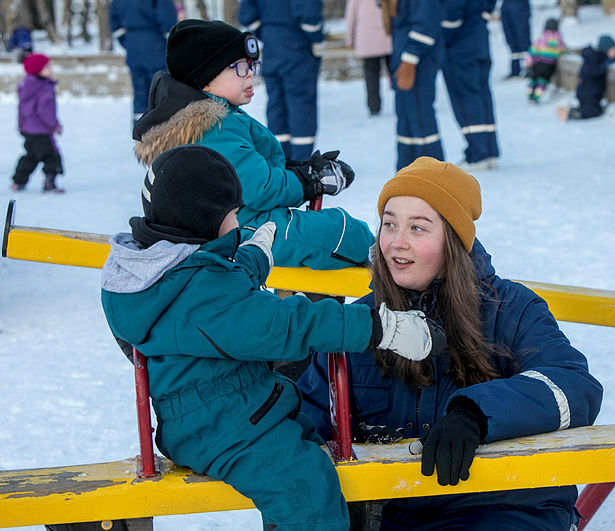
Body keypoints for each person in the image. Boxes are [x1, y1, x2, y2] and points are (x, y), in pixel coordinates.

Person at [100, 145, 444, 531]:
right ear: (204, 221)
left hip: (223, 409)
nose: (238, 222)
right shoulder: (205, 299)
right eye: (234, 215)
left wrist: (254, 256)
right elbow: (289, 324)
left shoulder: (158, 273)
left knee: (311, 440)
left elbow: (211, 286)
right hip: (223, 428)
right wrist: (382, 328)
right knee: (306, 489)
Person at [298, 156, 604, 530]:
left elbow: (573, 387)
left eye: (418, 228)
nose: (397, 243)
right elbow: (306, 415)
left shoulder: (510, 309)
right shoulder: (359, 325)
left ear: (453, 238)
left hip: (503, 509)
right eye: (389, 224)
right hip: (391, 516)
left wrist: (476, 415)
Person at [132, 19, 374, 271]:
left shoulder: (215, 116)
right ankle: (390, 287)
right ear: (205, 77)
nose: (249, 74)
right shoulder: (212, 126)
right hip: (233, 232)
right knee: (342, 233)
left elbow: (248, 169)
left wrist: (298, 171)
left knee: (331, 231)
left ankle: (321, 297)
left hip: (232, 223)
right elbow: (259, 189)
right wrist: (308, 181)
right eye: (238, 68)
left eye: (251, 66)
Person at [238, 0, 323, 161]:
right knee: (301, 106)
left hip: (271, 50)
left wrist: (267, 34)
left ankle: (279, 160)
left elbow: (246, 15)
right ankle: (301, 163)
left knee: (276, 104)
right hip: (299, 48)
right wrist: (317, 39)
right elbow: (308, 14)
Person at [383, 0, 446, 171]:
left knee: (420, 115)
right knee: (404, 117)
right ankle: (406, 169)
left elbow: (427, 22)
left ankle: (433, 173)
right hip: (402, 53)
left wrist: (410, 58)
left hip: (419, 60)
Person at [441, 0, 500, 171]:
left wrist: (441, 35)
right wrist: (483, 17)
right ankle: (489, 151)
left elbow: (452, 12)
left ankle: (478, 154)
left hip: (460, 45)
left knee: (466, 98)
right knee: (482, 96)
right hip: (479, 39)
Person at [109, 0, 177, 121]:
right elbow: (167, 18)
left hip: (133, 45)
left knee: (139, 89)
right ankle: (161, 128)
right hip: (155, 43)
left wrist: (127, 41)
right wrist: (171, 39)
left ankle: (140, 130)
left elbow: (115, 22)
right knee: (159, 88)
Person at [10, 53, 64, 193]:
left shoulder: (26, 85)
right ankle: (49, 182)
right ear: (37, 69)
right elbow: (45, 112)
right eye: (47, 67)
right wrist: (54, 125)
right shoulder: (43, 88)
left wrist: (21, 126)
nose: (50, 70)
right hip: (41, 130)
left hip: (29, 130)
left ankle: (18, 181)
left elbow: (21, 109)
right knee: (51, 156)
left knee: (31, 156)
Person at [556, 34, 615, 121]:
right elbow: (595, 71)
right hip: (589, 92)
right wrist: (607, 63)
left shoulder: (597, 57)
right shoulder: (595, 58)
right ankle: (569, 113)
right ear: (606, 49)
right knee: (591, 112)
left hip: (588, 90)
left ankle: (566, 110)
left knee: (589, 109)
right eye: (613, 50)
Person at [345, 0, 393, 116]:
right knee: (394, 71)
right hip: (388, 34)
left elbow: (351, 16)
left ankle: (374, 106)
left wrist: (350, 39)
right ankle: (403, 101)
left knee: (371, 75)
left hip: (367, 38)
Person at [526, 17, 567, 103]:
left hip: (538, 62)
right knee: (543, 81)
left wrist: (529, 62)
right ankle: (537, 96)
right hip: (549, 65)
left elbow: (533, 50)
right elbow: (563, 49)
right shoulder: (558, 39)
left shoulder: (542, 37)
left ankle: (530, 93)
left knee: (533, 79)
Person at [500, 0, 531, 78]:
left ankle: (528, 68)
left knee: (522, 38)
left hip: (519, 6)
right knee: (511, 40)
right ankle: (515, 69)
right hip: (506, 6)